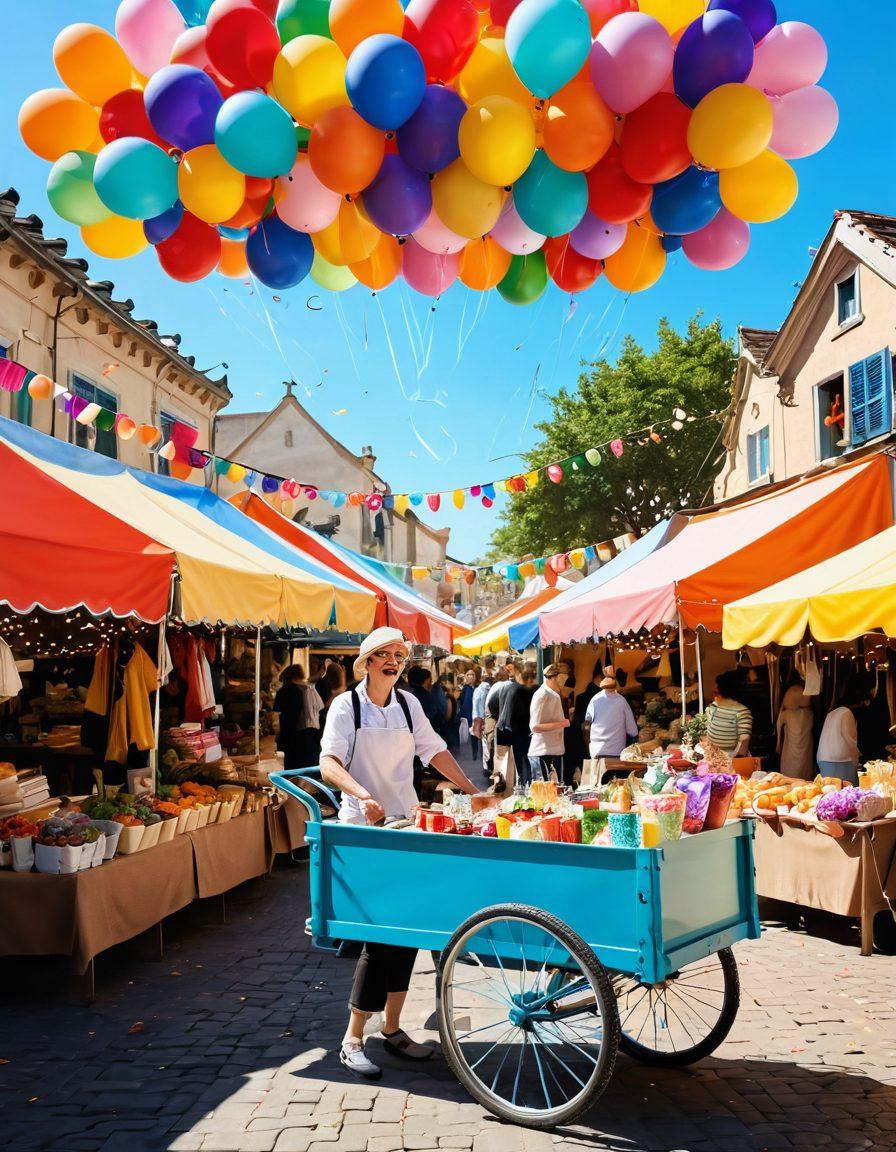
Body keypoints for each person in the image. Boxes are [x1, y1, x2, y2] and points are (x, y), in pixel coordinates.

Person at [319, 628, 479, 1080]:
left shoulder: (409, 704)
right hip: (364, 830)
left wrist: (472, 791)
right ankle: (352, 1039)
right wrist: (361, 794)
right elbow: (330, 762)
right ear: (367, 661)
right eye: (385, 654)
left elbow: (435, 751)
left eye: (400, 656)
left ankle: (391, 1028)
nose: (394, 661)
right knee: (382, 933)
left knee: (410, 927)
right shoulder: (345, 706)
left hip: (406, 825)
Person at [274, 665, 324, 769]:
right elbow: (320, 709)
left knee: (294, 770)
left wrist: (280, 738)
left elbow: (277, 716)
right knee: (310, 770)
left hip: (296, 738)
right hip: (313, 735)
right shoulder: (311, 689)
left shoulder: (286, 691)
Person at [528, 663, 570, 782]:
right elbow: (535, 726)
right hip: (543, 752)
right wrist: (562, 723)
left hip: (554, 751)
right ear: (553, 677)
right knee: (545, 794)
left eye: (565, 679)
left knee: (556, 793)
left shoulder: (553, 694)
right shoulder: (542, 694)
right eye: (562, 678)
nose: (564, 682)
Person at [498, 667, 537, 788]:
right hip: (523, 731)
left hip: (511, 730)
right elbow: (524, 712)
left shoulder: (509, 688)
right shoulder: (523, 691)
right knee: (525, 761)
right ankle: (526, 785)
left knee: (517, 760)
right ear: (530, 679)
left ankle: (521, 784)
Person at [584, 677, 638, 760]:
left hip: (596, 752)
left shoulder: (594, 700)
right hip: (616, 752)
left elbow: (586, 725)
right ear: (615, 686)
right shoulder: (622, 701)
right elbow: (633, 731)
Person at [705, 671, 752, 757]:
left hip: (718, 759)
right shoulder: (742, 711)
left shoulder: (714, 708)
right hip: (730, 761)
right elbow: (743, 746)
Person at [817, 696, 861, 784]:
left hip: (824, 759)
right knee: (845, 794)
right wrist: (857, 755)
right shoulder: (846, 712)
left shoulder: (831, 713)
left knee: (829, 793)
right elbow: (849, 739)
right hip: (841, 761)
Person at [776, 685, 814, 779]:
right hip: (806, 749)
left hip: (790, 750)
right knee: (805, 772)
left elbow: (778, 724)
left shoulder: (786, 714)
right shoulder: (809, 714)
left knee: (790, 772)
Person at [471, 658, 496, 773]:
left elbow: (476, 706)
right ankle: (489, 766)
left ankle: (487, 766)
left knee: (486, 744)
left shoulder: (479, 689)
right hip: (489, 719)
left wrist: (477, 720)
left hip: (482, 718)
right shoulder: (489, 688)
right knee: (489, 743)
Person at [458, 669, 477, 758]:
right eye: (468, 675)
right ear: (466, 677)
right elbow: (464, 703)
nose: (470, 676)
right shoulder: (467, 688)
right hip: (468, 716)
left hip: (473, 716)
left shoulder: (475, 688)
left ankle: (474, 754)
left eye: (472, 674)